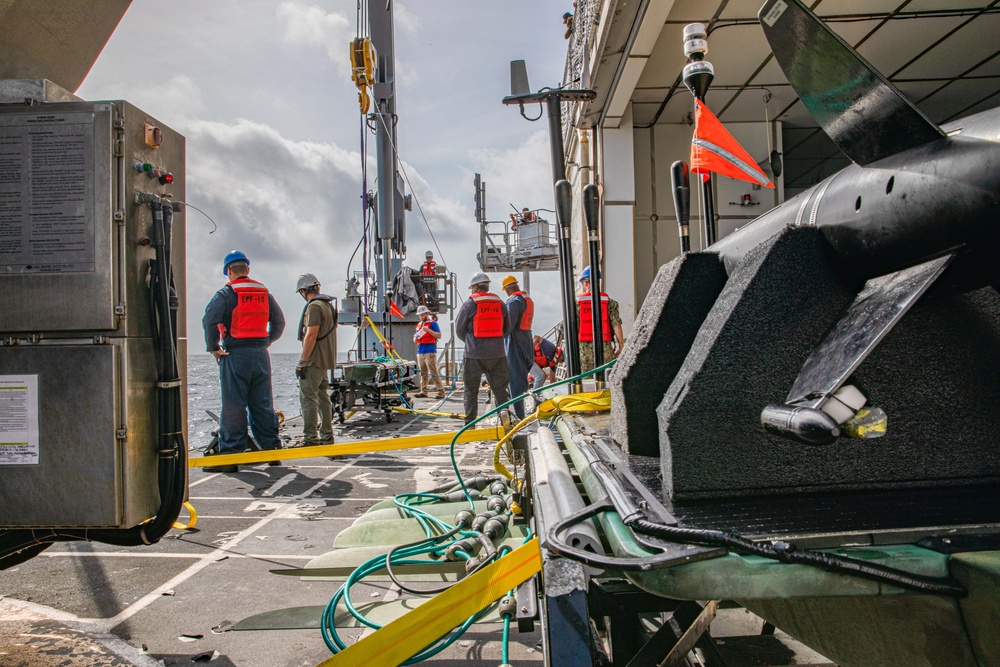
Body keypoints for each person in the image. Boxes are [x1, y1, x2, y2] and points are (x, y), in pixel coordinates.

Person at [202, 250, 285, 473]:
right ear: (247, 269)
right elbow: (279, 321)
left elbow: (209, 319)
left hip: (235, 355)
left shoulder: (227, 293)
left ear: (228, 271)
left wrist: (214, 349)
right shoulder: (264, 292)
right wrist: (267, 341)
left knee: (233, 406)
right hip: (260, 356)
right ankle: (272, 451)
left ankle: (229, 457)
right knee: (262, 404)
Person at [455, 272, 511, 424]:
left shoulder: (469, 304)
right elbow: (507, 327)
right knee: (500, 390)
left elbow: (459, 329)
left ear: (475, 287)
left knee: (471, 390)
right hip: (498, 354)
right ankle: (505, 421)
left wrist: (470, 342)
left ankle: (470, 422)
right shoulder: (500, 303)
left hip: (474, 354)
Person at [295, 272, 338, 446]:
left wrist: (302, 361)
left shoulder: (314, 307)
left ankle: (310, 438)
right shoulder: (328, 305)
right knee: (323, 398)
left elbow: (311, 335)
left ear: (304, 291)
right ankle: (327, 436)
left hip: (313, 360)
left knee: (308, 399)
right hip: (325, 360)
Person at [577, 266, 625, 372]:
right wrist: (621, 345)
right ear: (598, 281)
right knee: (606, 380)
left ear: (585, 283)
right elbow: (616, 325)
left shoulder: (577, 305)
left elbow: (574, 329)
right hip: (605, 352)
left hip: (584, 355)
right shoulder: (610, 303)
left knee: (586, 384)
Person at [501, 275, 534, 419]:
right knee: (520, 379)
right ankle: (522, 413)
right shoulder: (527, 299)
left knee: (515, 380)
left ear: (507, 289)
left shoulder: (514, 301)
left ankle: (520, 416)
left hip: (515, 343)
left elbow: (508, 326)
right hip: (526, 341)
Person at [413, 304, 446, 399]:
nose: (421, 316)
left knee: (433, 372)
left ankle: (441, 391)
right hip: (420, 351)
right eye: (420, 315)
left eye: (423, 314)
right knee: (423, 373)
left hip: (430, 351)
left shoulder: (433, 324)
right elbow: (415, 340)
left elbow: (439, 335)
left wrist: (428, 330)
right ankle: (424, 391)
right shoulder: (419, 325)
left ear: (427, 314)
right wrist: (416, 338)